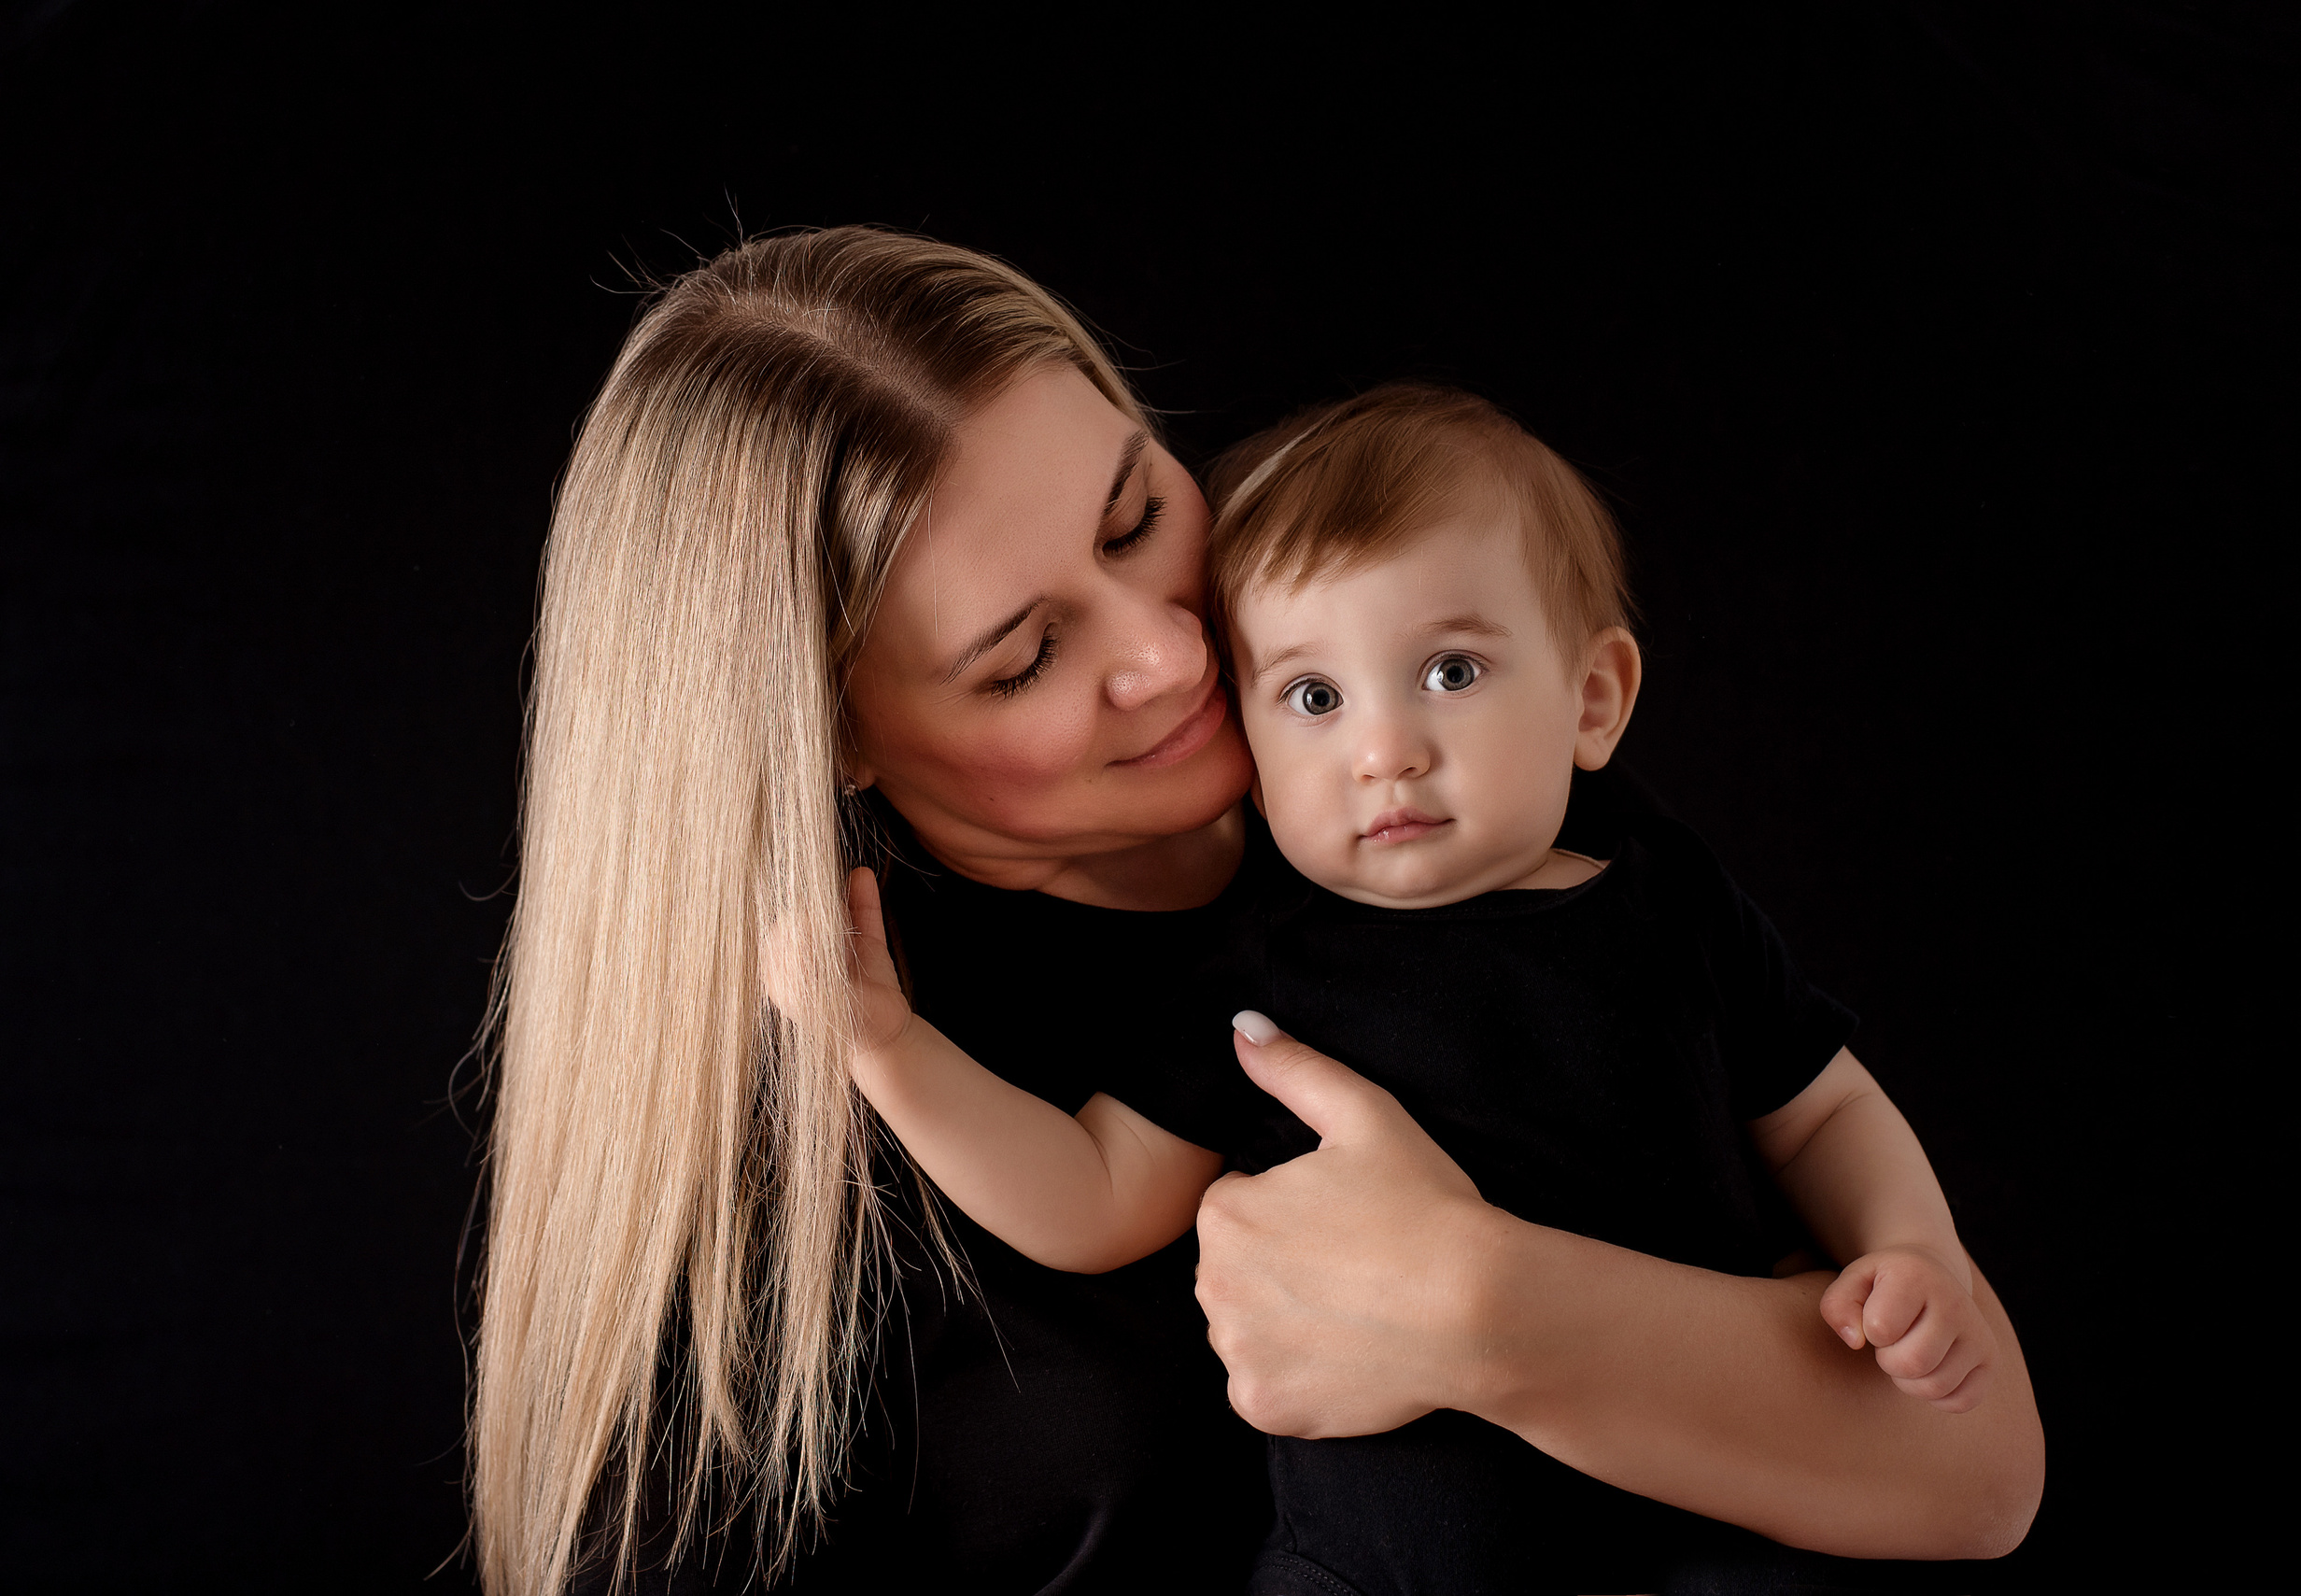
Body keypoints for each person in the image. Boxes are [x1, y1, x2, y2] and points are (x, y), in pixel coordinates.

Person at [472, 226, 2042, 1596]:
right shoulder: (822, 1101)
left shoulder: (1451, 824)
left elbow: (1970, 1466)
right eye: (1022, 655)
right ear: (834, 734)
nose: (1167, 651)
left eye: (1136, 515)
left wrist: (1477, 1302)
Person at [818, 384, 2006, 1593]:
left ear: (1593, 698)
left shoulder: (1657, 884)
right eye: (1315, 698)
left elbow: (1827, 1115)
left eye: (1447, 671)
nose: (1384, 748)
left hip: (1713, 1532)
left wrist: (1908, 1249)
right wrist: (891, 1049)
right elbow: (1095, 1193)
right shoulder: (1258, 963)